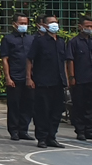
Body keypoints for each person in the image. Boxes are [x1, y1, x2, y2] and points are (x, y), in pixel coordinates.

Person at [29, 15, 69, 149]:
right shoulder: (39, 41)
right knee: (42, 111)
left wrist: (66, 78)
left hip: (58, 82)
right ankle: (42, 137)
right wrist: (29, 78)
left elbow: (64, 62)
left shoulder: (61, 42)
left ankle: (52, 136)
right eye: (51, 23)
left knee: (56, 111)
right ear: (45, 26)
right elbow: (30, 59)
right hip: (43, 81)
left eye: (56, 22)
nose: (54, 25)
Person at [0, 15, 36, 141]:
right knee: (14, 105)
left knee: (28, 104)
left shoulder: (31, 39)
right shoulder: (8, 39)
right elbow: (5, 59)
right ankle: (14, 130)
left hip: (29, 77)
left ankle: (23, 130)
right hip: (15, 76)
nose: (23, 25)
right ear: (14, 24)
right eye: (21, 23)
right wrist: (8, 77)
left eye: (25, 23)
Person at [68, 17, 92, 142]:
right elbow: (70, 60)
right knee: (79, 106)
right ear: (80, 27)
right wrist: (71, 77)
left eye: (91, 26)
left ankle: (89, 130)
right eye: (87, 26)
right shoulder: (74, 42)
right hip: (79, 79)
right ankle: (80, 131)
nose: (89, 29)